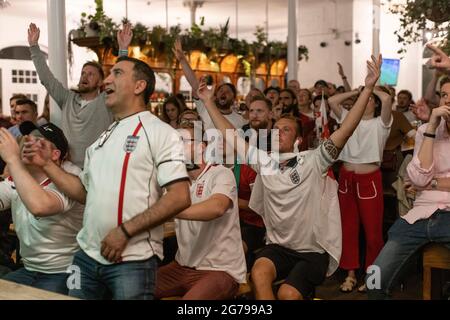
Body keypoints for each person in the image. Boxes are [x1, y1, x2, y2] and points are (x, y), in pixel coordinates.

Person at [197, 54, 384, 300]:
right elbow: (230, 135)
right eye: (276, 129)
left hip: (313, 251)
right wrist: (208, 102)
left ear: (297, 140)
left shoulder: (313, 160)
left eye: (285, 130)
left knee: (287, 294)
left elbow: (346, 129)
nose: (278, 132)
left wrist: (368, 88)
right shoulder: (264, 161)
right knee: (259, 273)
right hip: (279, 247)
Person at [23, 56, 191, 300]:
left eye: (117, 73)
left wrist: (124, 231)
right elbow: (84, 192)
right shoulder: (102, 139)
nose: (107, 80)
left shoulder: (160, 132)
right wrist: (47, 165)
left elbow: (179, 197)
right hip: (85, 256)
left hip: (131, 259)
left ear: (139, 86)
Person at [367, 44, 450, 299]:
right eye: (445, 95)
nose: (448, 100)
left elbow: (424, 182)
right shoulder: (429, 131)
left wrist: (431, 185)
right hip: (417, 218)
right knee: (374, 280)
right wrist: (429, 127)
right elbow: (417, 178)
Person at [155, 125, 246, 300]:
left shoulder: (221, 173)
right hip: (181, 266)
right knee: (133, 288)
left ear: (201, 147)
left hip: (220, 270)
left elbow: (217, 207)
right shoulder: (175, 183)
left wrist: (169, 211)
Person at [27, 22, 132, 168]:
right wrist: (34, 47)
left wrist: (123, 50)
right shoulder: (67, 98)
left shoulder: (106, 100)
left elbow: (120, 79)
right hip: (68, 168)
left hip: (99, 167)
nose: (85, 77)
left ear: (101, 81)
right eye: (83, 73)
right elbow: (46, 78)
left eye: (90, 74)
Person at [0, 121, 83, 294]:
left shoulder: (70, 177)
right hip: (29, 270)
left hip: (65, 271)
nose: (28, 143)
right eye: (28, 138)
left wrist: (13, 160)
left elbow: (40, 206)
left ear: (55, 154)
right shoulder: (20, 176)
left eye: (39, 141)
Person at [328, 85, 393, 293]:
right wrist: (358, 93)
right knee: (348, 229)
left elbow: (387, 99)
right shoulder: (348, 117)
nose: (366, 102)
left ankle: (372, 278)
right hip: (346, 178)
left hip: (369, 180)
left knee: (373, 233)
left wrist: (371, 87)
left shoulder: (380, 123)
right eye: (363, 99)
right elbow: (332, 102)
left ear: (375, 103)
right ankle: (350, 274)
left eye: (370, 99)